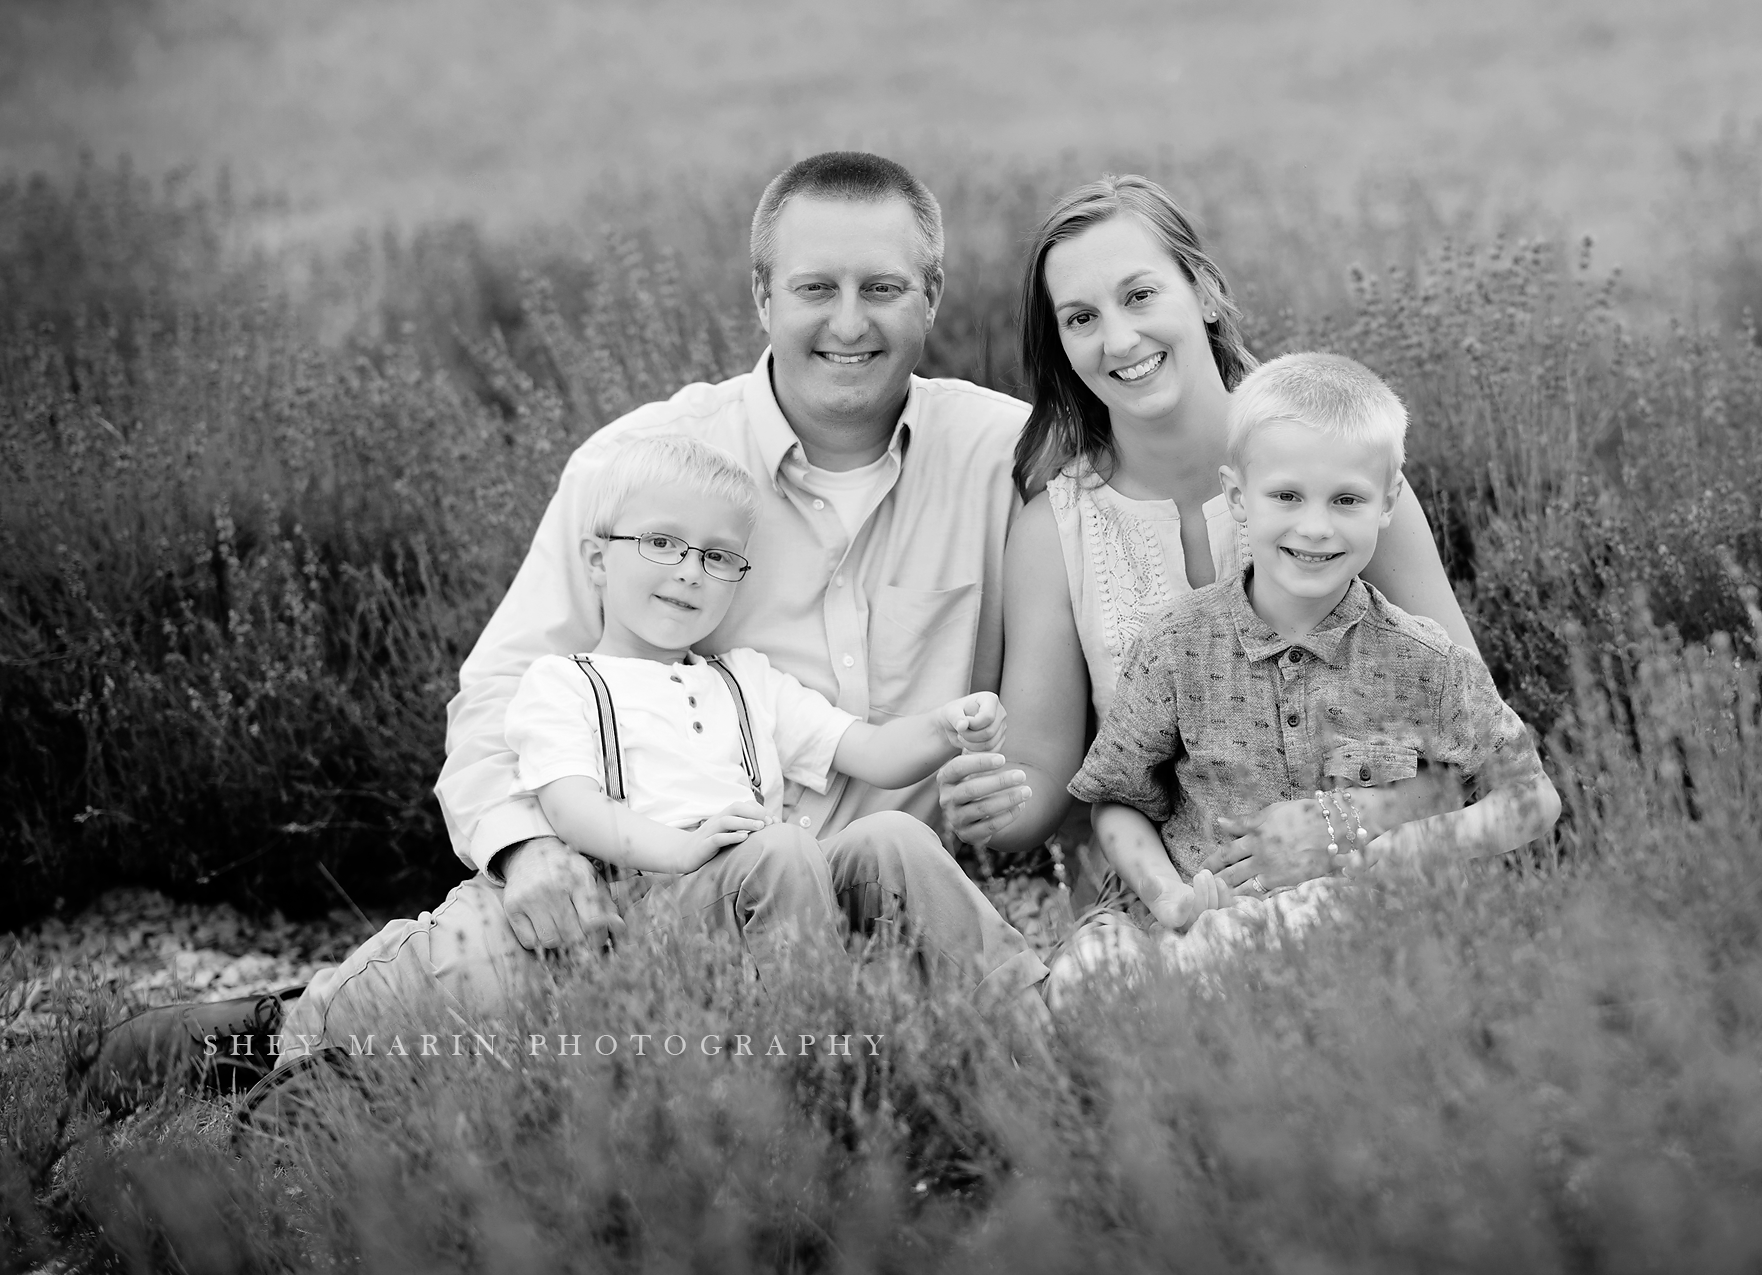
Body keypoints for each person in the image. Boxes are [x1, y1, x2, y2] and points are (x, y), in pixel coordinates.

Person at [82, 150, 1049, 1108]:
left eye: (882, 286)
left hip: (860, 920)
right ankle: (275, 1040)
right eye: (814, 287)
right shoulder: (642, 472)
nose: (849, 321)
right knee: (384, 1041)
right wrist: (524, 850)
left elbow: (1166, 448)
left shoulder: (1006, 458)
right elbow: (502, 694)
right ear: (762, 296)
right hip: (630, 906)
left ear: (932, 293)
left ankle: (1028, 1066)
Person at [937, 175, 1501, 909]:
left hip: (1365, 884)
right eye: (1080, 318)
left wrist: (1342, 826)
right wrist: (993, 803)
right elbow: (1046, 776)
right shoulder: (1055, 531)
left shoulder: (1333, 471)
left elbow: (1481, 757)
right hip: (1165, 902)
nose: (1119, 338)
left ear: (1202, 292)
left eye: (1140, 295)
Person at [1060, 352, 1561, 981]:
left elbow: (1531, 797)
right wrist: (1169, 896)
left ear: (1389, 500)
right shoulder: (1176, 646)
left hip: (1356, 922)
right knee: (1088, 977)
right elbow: (1117, 798)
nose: (1316, 527)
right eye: (1287, 496)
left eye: (1347, 499)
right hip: (1191, 923)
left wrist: (1418, 845)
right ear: (1238, 497)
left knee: (1318, 933)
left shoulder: (1425, 661)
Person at [510, 431, 1009, 943]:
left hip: (780, 890)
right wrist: (681, 850)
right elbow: (572, 808)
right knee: (782, 847)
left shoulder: (746, 681)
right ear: (597, 560)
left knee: (895, 836)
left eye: (719, 556)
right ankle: (819, 1018)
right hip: (657, 913)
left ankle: (1016, 1000)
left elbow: (874, 752)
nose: (690, 573)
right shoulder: (564, 683)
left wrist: (945, 727)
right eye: (661, 544)